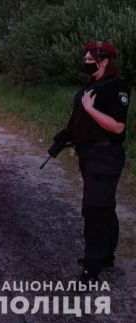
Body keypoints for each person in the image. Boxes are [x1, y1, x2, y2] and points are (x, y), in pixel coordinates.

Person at [65, 41, 130, 284]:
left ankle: (91, 268)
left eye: (89, 58)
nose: (85, 61)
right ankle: (106, 256)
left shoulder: (116, 88)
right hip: (89, 156)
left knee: (94, 209)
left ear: (104, 60)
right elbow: (79, 116)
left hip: (106, 157)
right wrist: (68, 134)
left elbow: (117, 126)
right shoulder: (92, 85)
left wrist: (90, 109)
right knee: (105, 207)